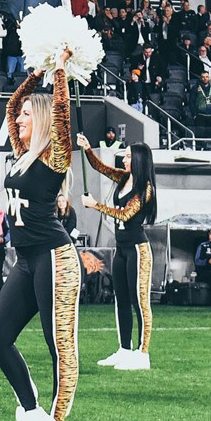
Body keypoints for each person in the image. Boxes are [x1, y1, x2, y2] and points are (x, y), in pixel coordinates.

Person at [0, 51, 80, 421]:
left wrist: (59, 71)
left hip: (55, 257)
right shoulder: (21, 155)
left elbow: (62, 114)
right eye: (21, 115)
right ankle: (30, 412)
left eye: (27, 115)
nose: (19, 119)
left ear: (40, 120)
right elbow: (8, 106)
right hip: (25, 259)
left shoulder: (54, 155)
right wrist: (35, 74)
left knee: (58, 343)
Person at [78, 138, 157, 371]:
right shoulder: (123, 177)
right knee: (120, 298)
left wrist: (95, 205)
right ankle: (124, 349)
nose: (124, 159)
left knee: (139, 301)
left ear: (140, 160)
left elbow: (125, 215)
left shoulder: (146, 189)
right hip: (121, 248)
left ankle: (143, 354)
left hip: (137, 249)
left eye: (129, 156)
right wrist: (88, 149)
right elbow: (100, 168)